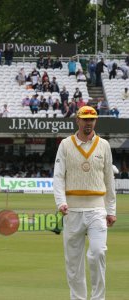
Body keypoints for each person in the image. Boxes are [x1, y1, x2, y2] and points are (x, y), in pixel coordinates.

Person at [53, 106, 116, 300]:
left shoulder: (104, 144)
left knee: (97, 253)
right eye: (85, 119)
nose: (89, 123)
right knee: (73, 263)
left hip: (97, 209)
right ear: (77, 120)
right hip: (72, 211)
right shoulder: (65, 144)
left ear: (95, 121)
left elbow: (109, 179)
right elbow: (58, 176)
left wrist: (111, 209)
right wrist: (61, 202)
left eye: (92, 120)